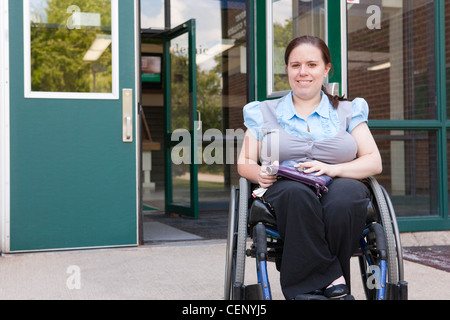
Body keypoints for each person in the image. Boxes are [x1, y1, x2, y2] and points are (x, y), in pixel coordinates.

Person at [237, 36, 382, 300]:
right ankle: (328, 283)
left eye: (312, 64)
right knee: (297, 194)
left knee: (345, 200)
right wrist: (258, 173)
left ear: (326, 69)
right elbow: (244, 162)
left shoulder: (348, 110)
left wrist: (332, 169)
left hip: (341, 181)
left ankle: (313, 286)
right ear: (287, 70)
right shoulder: (263, 112)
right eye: (295, 65)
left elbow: (373, 161)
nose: (303, 72)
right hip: (286, 188)